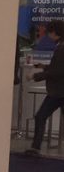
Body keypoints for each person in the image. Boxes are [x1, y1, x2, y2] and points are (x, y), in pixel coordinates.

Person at [27, 20, 64, 155]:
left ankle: (35, 147)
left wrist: (36, 76)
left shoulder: (61, 49)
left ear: (55, 33)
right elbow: (57, 68)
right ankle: (35, 147)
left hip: (58, 92)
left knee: (40, 116)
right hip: (58, 92)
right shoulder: (60, 47)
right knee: (40, 116)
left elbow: (57, 71)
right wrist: (42, 67)